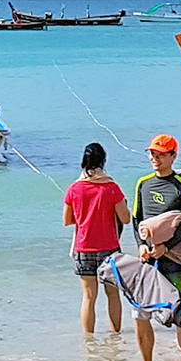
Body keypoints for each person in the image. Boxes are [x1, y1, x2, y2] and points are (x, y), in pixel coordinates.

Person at [130, 134, 181, 361]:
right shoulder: (143, 183)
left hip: (176, 261)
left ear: (173, 155)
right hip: (148, 260)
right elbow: (136, 219)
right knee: (140, 315)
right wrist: (141, 245)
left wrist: (167, 246)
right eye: (152, 154)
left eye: (161, 154)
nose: (155, 159)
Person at [63, 142, 131, 334]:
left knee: (88, 297)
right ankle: (116, 336)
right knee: (112, 294)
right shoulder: (112, 188)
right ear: (103, 161)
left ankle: (89, 341)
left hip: (83, 248)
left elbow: (67, 220)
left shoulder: (74, 189)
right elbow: (125, 219)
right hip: (109, 248)